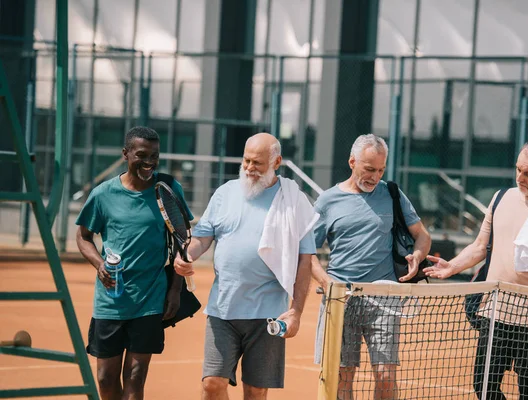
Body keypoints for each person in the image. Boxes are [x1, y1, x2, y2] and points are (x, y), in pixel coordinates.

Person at [424, 139, 528, 399]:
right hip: (494, 313)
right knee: (483, 387)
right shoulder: (500, 198)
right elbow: (479, 246)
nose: (520, 177)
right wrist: (451, 266)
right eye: (518, 169)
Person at [174, 133, 317, 400]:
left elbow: (304, 259)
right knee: (212, 384)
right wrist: (188, 255)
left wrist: (296, 311)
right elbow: (203, 237)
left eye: (257, 163)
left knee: (255, 392)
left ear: (277, 162)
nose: (249, 169)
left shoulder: (294, 201)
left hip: (269, 314)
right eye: (246, 161)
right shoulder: (225, 193)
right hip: (223, 309)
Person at [75, 126, 193, 400]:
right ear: (125, 154)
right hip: (111, 299)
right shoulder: (104, 194)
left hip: (150, 298)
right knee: (105, 379)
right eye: (142, 155)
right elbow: (83, 237)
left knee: (136, 376)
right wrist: (99, 264)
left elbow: (181, 239)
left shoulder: (167, 188)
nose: (149, 162)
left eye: (155, 155)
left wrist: (174, 290)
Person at [311, 134, 431, 400]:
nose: (375, 176)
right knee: (342, 376)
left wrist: (417, 255)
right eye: (368, 169)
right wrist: (325, 281)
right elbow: (307, 250)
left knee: (386, 376)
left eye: (380, 170)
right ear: (352, 162)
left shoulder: (392, 194)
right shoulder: (327, 201)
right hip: (341, 299)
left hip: (384, 297)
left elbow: (422, 235)